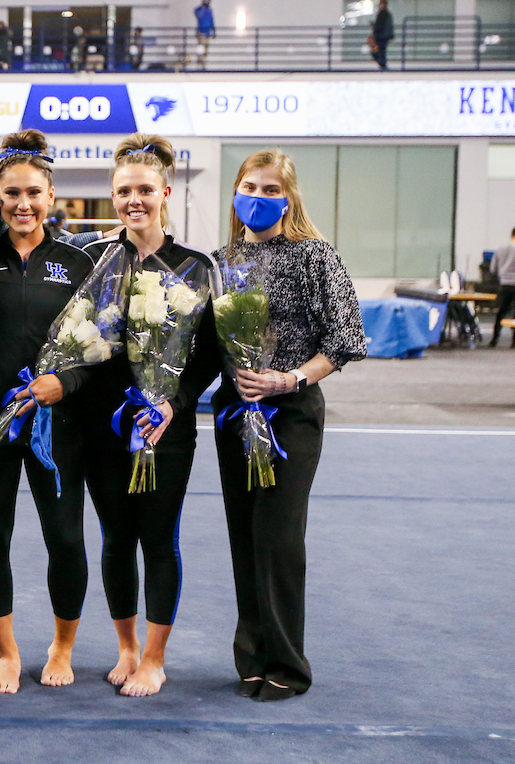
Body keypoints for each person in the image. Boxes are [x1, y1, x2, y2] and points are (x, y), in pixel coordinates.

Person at [208, 148, 365, 701]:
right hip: (233, 415)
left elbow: (346, 340)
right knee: (244, 537)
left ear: (290, 197)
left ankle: (288, 665)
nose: (259, 198)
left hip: (290, 414)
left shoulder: (315, 256)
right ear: (235, 191)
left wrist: (290, 379)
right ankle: (250, 658)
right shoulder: (218, 261)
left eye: (272, 190)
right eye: (251, 186)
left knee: (278, 538)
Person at [76, 135, 218, 697]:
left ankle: (155, 658)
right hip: (104, 427)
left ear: (166, 191)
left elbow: (208, 359)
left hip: (165, 429)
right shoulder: (97, 259)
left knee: (158, 541)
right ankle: (126, 647)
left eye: (144, 190)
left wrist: (171, 403)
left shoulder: (196, 268)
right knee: (114, 540)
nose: (134, 200)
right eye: (123, 191)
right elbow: (76, 338)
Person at [0, 130, 95, 695]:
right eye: (12, 193)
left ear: (51, 194)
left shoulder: (77, 262)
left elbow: (98, 348)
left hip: (56, 423)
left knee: (64, 538)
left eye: (34, 193)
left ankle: (62, 646)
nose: (23, 204)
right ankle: (7, 653)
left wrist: (66, 382)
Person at [370, 0, 394, 70]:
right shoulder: (385, 13)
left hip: (381, 37)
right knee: (379, 51)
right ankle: (382, 65)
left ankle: (383, 65)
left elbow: (380, 26)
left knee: (379, 51)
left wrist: (375, 28)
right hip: (381, 37)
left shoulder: (384, 13)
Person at [194, 0, 215, 69]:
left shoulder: (210, 10)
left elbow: (212, 21)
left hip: (207, 33)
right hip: (201, 32)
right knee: (200, 50)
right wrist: (203, 7)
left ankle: (203, 66)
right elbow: (198, 15)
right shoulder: (200, 9)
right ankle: (199, 66)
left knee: (205, 50)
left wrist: (214, 31)